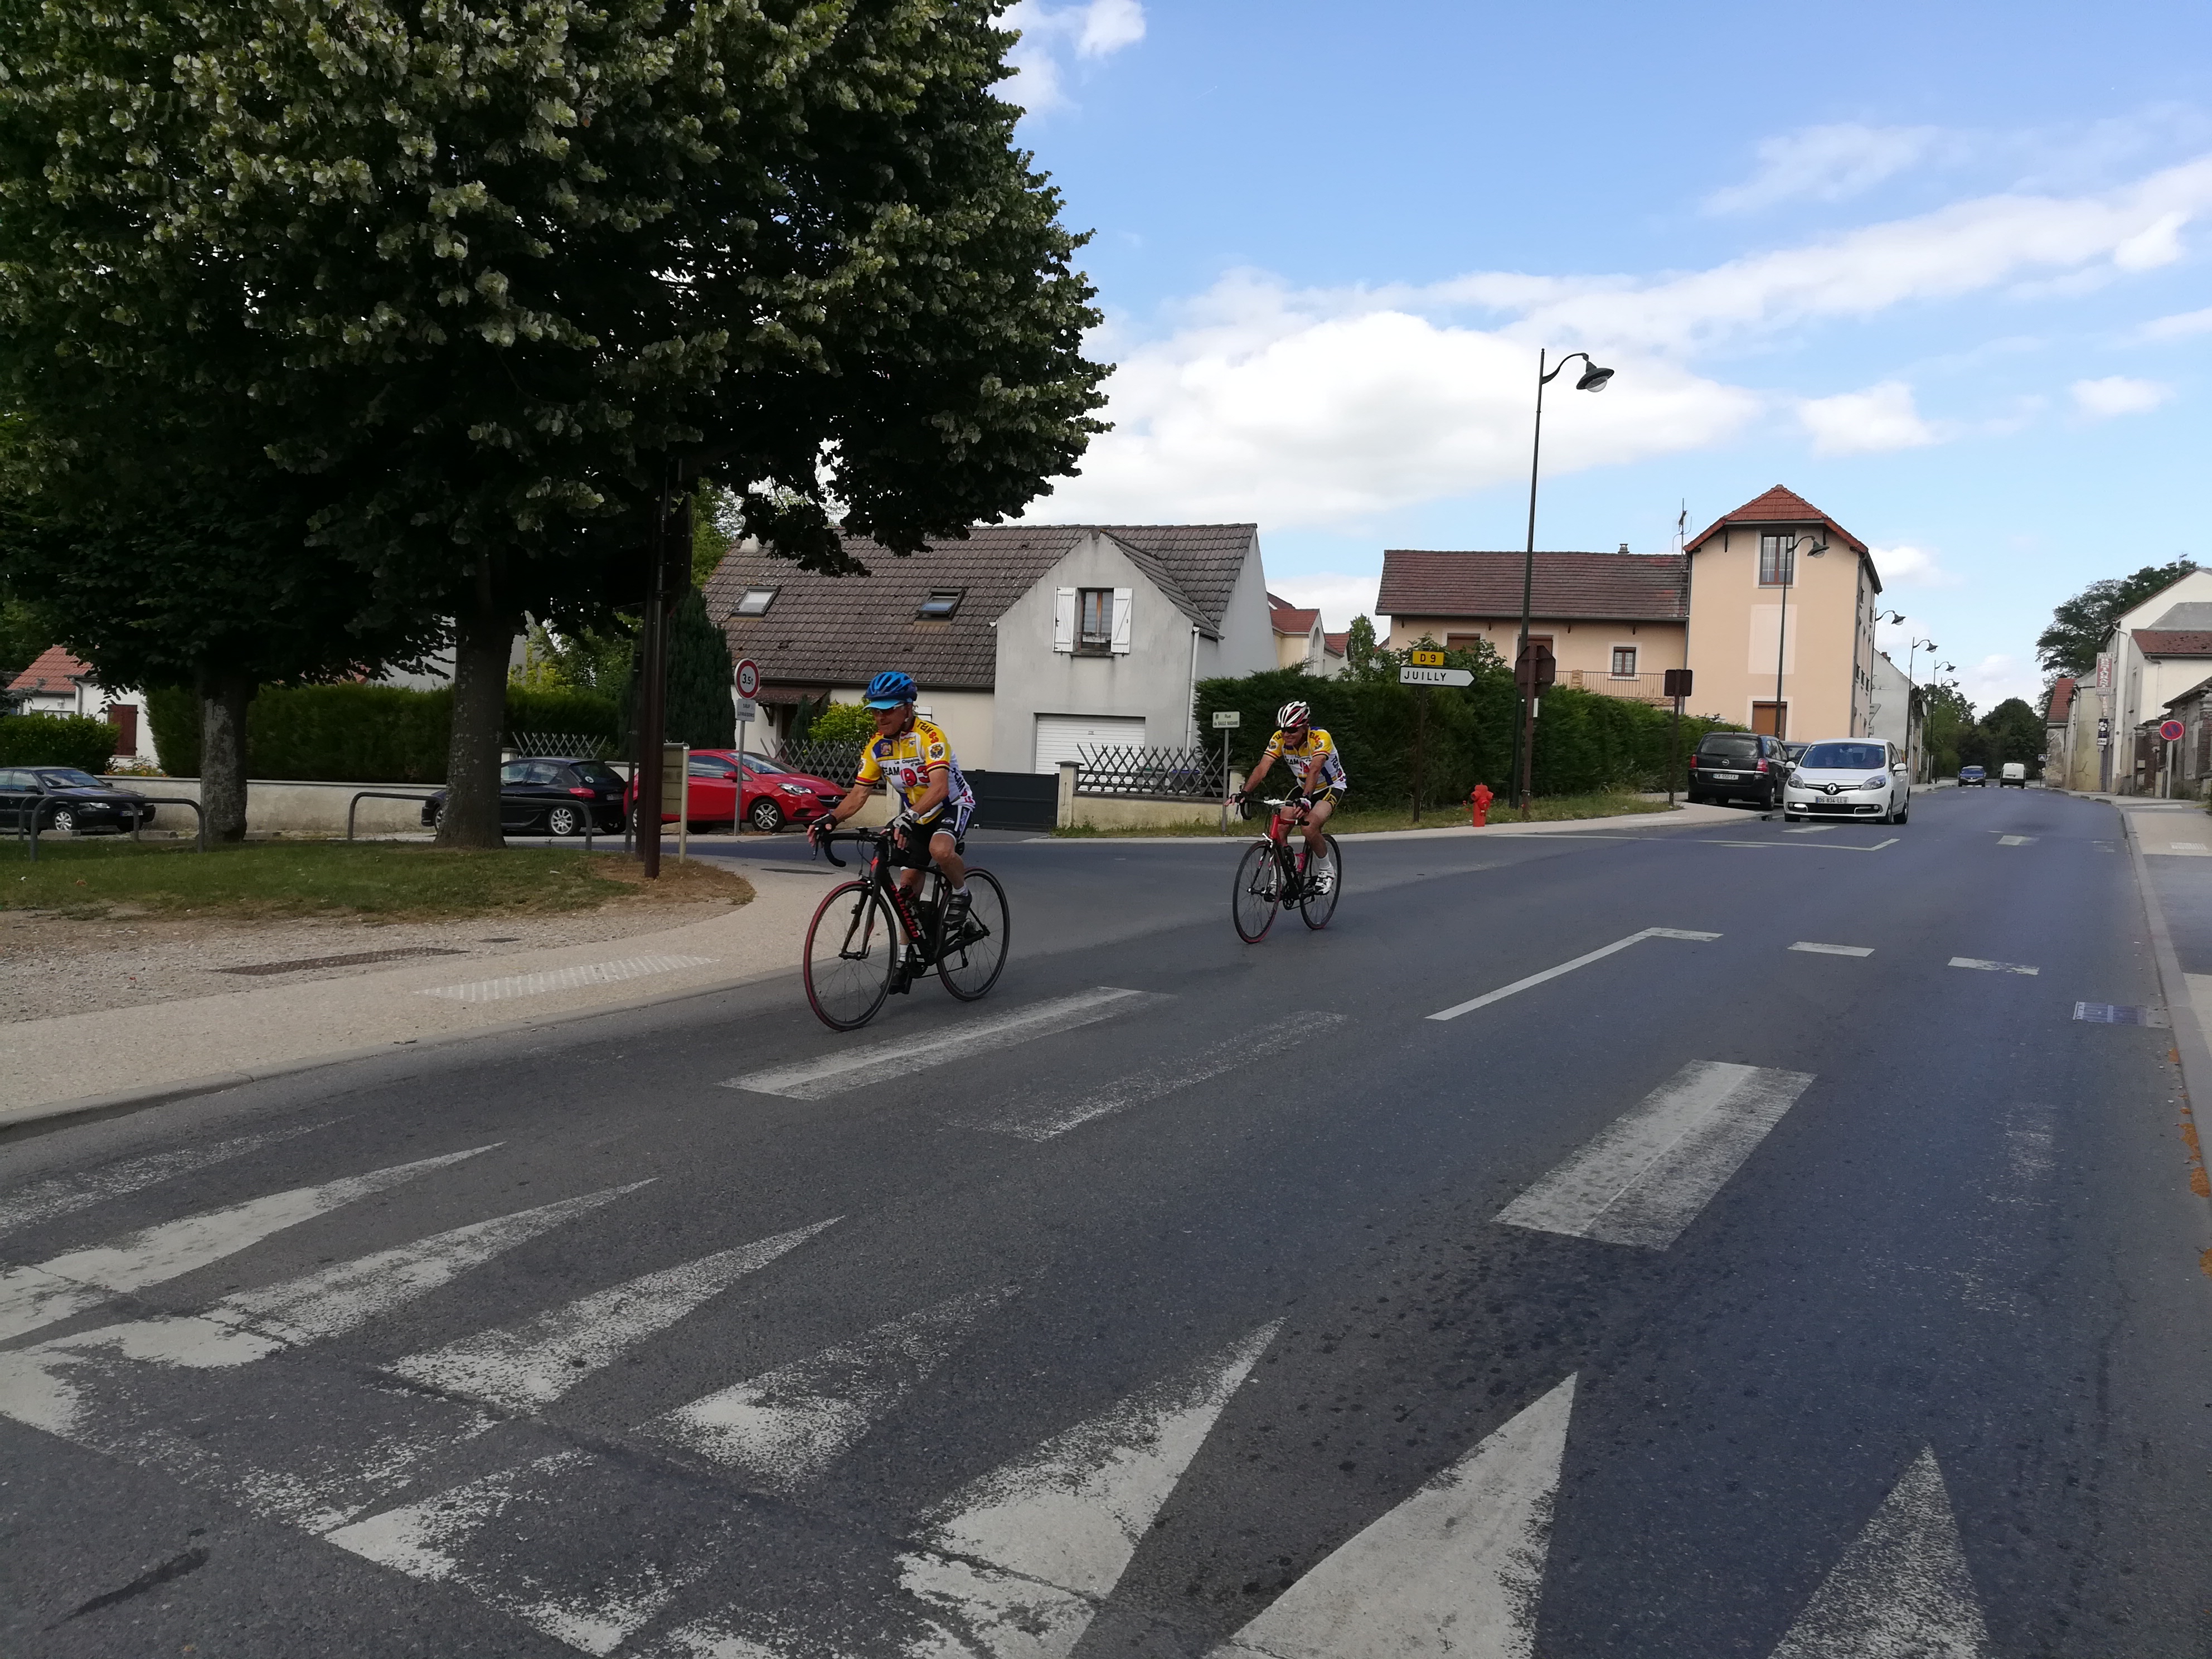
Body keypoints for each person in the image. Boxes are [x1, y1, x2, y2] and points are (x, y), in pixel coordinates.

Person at [811, 671, 979, 926]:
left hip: (952, 805)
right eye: (875, 711)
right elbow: (859, 793)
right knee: (906, 892)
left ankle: (961, 892)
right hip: (918, 814)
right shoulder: (877, 746)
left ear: (908, 709)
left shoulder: (930, 737)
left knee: (940, 850)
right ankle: (905, 949)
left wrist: (908, 817)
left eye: (888, 710)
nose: (880, 717)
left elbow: (940, 788)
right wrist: (831, 820)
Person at [1236, 700, 1346, 886]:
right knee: (1279, 829)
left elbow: (1315, 769)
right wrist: (1245, 793)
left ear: (1305, 727)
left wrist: (1306, 799)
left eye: (1292, 730)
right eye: (1283, 730)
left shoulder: (1320, 738)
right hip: (1303, 786)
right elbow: (1263, 768)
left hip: (1330, 786)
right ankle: (1286, 869)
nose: (1286, 734)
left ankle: (1326, 869)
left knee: (1309, 826)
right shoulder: (1279, 739)